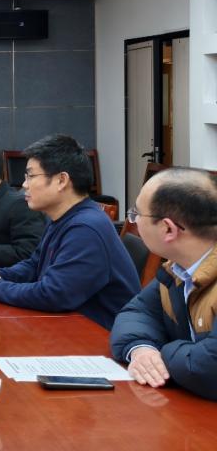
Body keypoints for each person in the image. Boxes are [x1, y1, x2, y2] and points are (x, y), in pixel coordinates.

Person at [0, 134, 140, 329]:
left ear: (61, 180)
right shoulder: (62, 218)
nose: (24, 185)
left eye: (31, 176)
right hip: (68, 325)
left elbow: (54, 294)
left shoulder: (85, 228)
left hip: (98, 335)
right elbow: (34, 265)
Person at [110, 168, 217, 400]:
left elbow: (209, 367)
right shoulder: (177, 269)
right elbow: (137, 312)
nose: (134, 221)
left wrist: (164, 351)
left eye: (137, 213)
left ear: (168, 229)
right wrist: (142, 349)